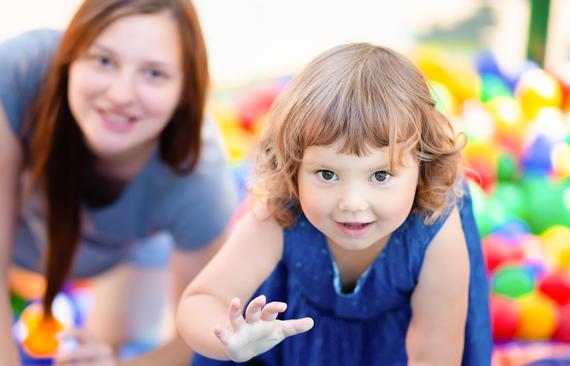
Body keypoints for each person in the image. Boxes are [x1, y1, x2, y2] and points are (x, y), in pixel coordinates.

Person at [0, 0, 238, 365]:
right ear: (69, 59)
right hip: (22, 247)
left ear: (185, 91)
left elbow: (203, 336)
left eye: (154, 74)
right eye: (103, 60)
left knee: (114, 344)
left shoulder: (199, 176)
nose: (120, 95)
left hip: (127, 253)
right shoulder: (17, 72)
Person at [176, 43, 492, 365]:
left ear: (422, 168)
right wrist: (230, 342)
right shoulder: (282, 213)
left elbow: (433, 353)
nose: (352, 203)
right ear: (294, 166)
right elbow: (201, 300)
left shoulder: (434, 230)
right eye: (327, 174)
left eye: (380, 175)